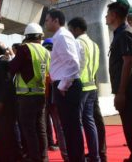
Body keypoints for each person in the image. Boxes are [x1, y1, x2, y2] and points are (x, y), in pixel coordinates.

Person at [106, 1, 132, 161]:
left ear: (114, 15)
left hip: (128, 89)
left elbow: (128, 62)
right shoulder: (121, 33)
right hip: (127, 88)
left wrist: (121, 93)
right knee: (130, 126)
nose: (106, 18)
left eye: (107, 14)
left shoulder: (125, 34)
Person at [45, 9, 85, 162]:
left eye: (48, 20)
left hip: (66, 88)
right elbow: (78, 58)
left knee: (71, 129)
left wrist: (63, 86)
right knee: (70, 129)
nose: (46, 23)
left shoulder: (62, 36)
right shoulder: (65, 36)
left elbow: (73, 63)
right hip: (68, 86)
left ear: (56, 20)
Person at [9, 23, 49, 162]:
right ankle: (43, 157)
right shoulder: (45, 51)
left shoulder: (25, 49)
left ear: (26, 36)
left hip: (26, 97)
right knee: (41, 128)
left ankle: (34, 157)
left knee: (29, 129)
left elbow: (12, 68)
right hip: (41, 94)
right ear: (40, 36)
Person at [68, 17, 102, 162]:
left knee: (77, 123)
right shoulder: (94, 44)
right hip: (92, 86)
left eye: (70, 30)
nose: (70, 33)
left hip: (80, 87)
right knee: (89, 122)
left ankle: (80, 156)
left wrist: (68, 83)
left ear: (76, 29)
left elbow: (77, 66)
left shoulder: (78, 43)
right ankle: (95, 156)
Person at [42, 38, 68, 160]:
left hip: (50, 95)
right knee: (56, 122)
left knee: (50, 121)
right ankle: (54, 143)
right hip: (53, 95)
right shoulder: (59, 58)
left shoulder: (45, 58)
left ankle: (52, 143)